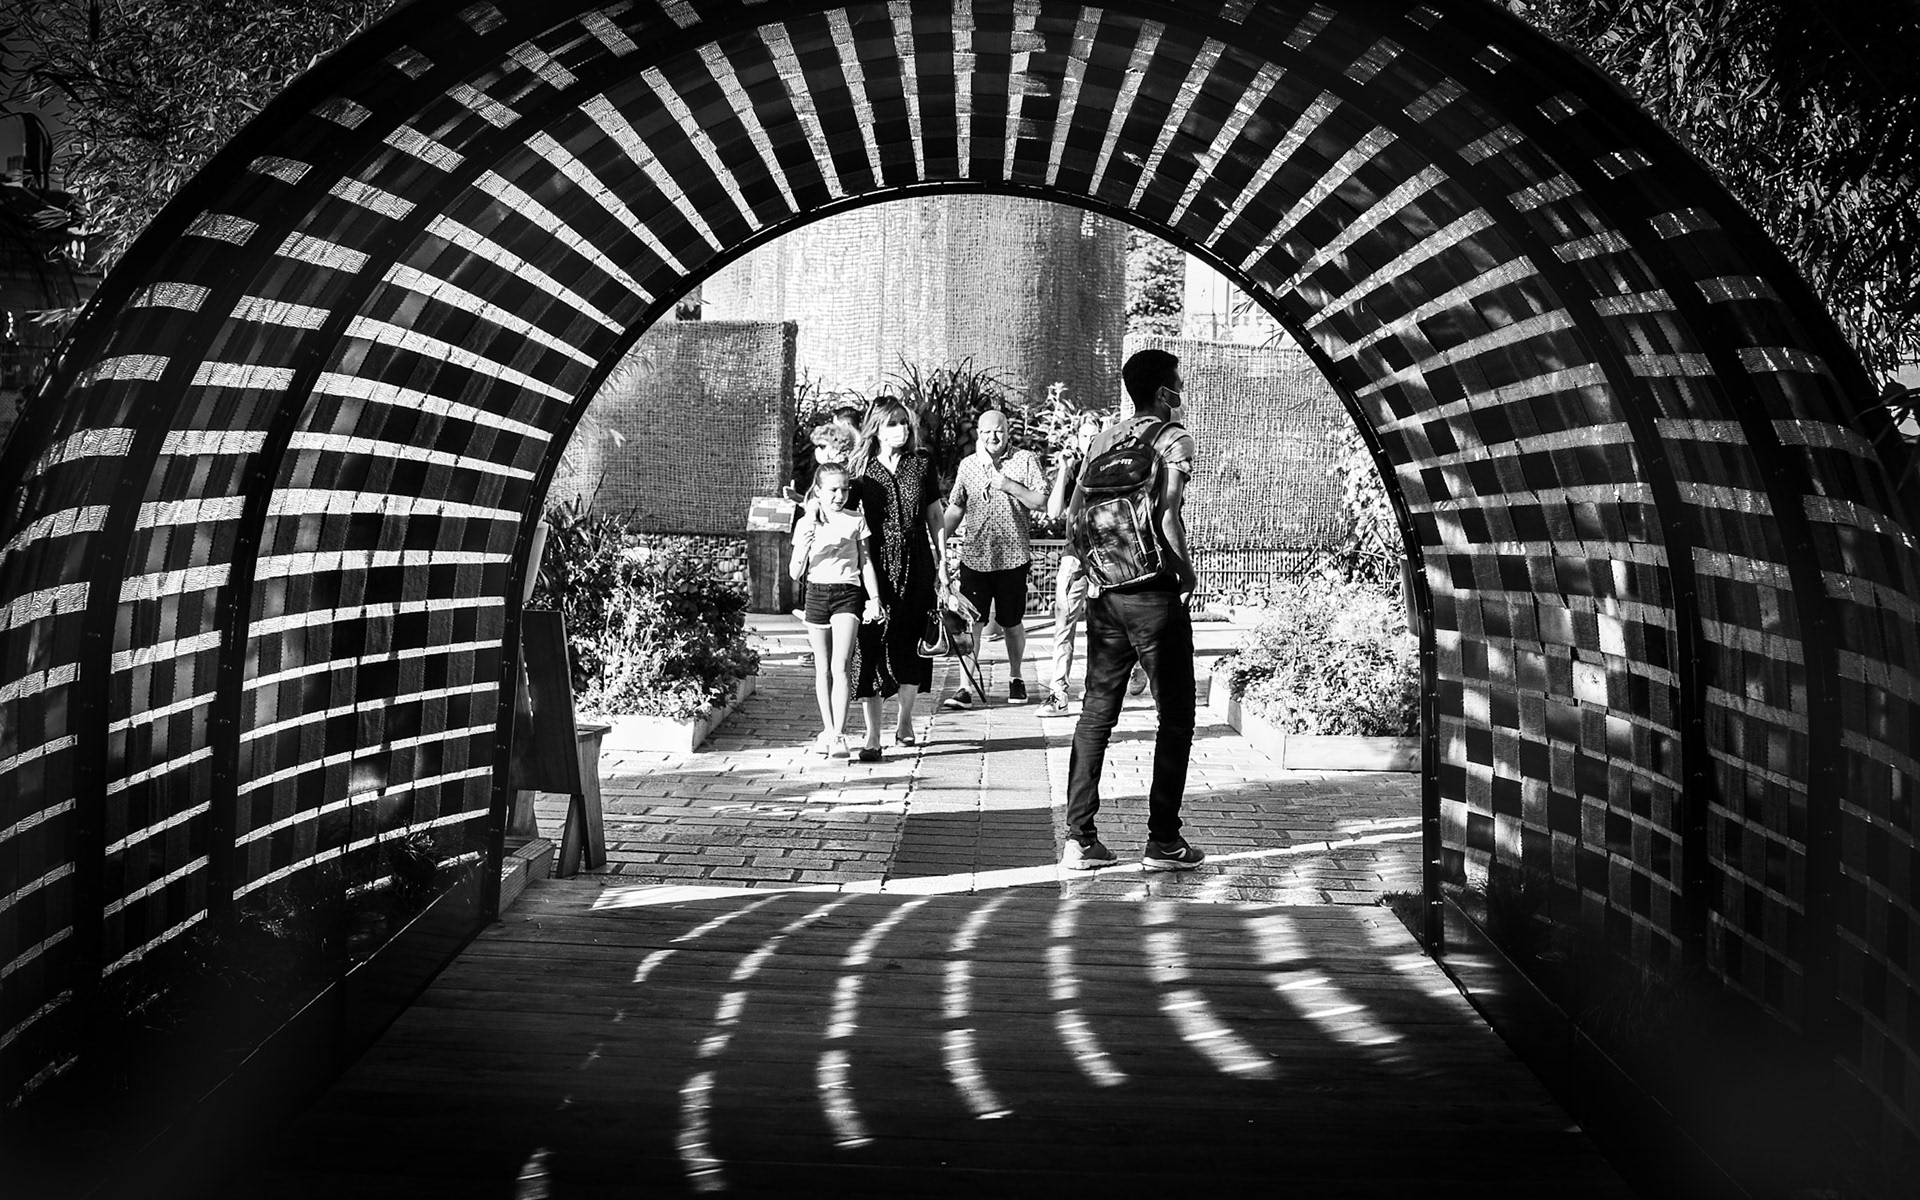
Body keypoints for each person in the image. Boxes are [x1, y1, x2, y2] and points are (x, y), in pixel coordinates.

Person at [1061, 348, 1204, 872]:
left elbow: (1074, 517)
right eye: (1178, 386)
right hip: (1154, 596)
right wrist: (1186, 574)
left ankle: (1080, 840)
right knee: (1176, 716)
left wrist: (1093, 571)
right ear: (1165, 393)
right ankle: (1163, 841)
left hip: (1105, 595)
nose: (1180, 394)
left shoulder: (1103, 441)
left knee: (1096, 712)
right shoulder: (1173, 438)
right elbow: (1167, 514)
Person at [850, 397, 948, 754]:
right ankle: (872, 735)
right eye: (893, 423)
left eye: (905, 423)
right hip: (875, 563)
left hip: (917, 559)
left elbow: (935, 515)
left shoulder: (921, 463)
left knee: (911, 642)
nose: (902, 430)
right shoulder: (860, 468)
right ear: (876, 428)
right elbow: (843, 513)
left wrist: (943, 563)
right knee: (871, 644)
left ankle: (905, 720)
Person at [940, 408, 1048, 707]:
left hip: (1013, 558)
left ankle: (1016, 678)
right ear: (979, 433)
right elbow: (956, 507)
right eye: (986, 431)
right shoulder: (969, 465)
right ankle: (965, 688)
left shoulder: (1025, 460)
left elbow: (1041, 501)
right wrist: (937, 541)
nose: (993, 436)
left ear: (1008, 431)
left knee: (1011, 622)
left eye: (998, 430)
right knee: (971, 623)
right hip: (975, 557)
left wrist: (1010, 485)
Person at [790, 463, 885, 760]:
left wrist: (875, 599)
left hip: (848, 593)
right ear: (818, 491)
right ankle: (828, 729)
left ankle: (839, 735)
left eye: (844, 489)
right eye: (833, 490)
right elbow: (794, 572)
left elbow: (866, 562)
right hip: (817, 593)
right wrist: (805, 546)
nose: (839, 495)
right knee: (823, 668)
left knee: (840, 665)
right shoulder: (807, 522)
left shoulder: (856, 519)